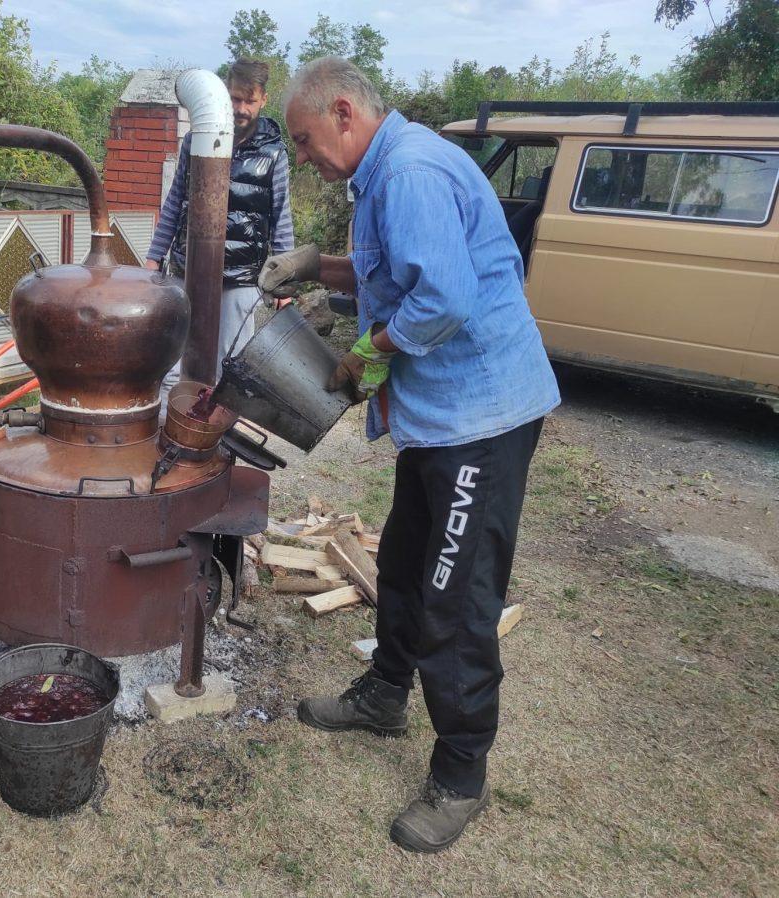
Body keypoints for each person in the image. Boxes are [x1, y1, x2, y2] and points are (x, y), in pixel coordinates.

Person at [260, 58, 561, 853]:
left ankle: (461, 775)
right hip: (441, 419)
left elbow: (445, 299)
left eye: (305, 139)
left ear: (346, 113)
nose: (304, 156)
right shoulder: (386, 171)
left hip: (482, 417)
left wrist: (367, 352)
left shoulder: (413, 170)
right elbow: (397, 268)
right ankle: (385, 695)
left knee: (455, 599)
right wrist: (316, 267)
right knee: (400, 560)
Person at [146, 58, 295, 397]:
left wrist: (285, 283)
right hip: (187, 271)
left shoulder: (273, 152)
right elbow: (175, 201)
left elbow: (281, 217)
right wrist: (154, 258)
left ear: (263, 100)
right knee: (171, 366)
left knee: (227, 370)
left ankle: (216, 447)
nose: (240, 108)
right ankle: (167, 440)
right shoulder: (195, 139)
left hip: (240, 279)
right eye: (234, 98)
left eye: (249, 100)